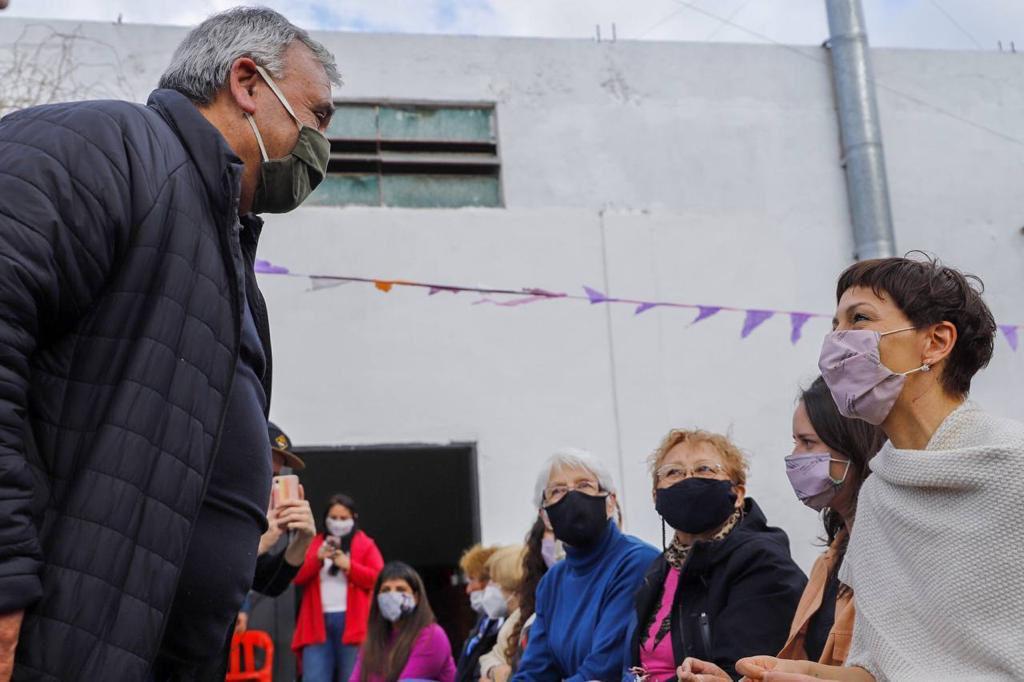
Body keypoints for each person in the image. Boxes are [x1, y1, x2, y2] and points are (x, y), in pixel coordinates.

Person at [0, 7, 339, 680]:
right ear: (247, 82)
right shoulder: (104, 149)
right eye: (318, 115)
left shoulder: (225, 252)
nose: (322, 144)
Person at [737, 255, 1024, 681]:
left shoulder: (1013, 465)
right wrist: (810, 674)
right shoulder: (875, 496)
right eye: (834, 325)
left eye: (859, 319)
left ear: (936, 342)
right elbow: (882, 670)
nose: (836, 342)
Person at [676, 381, 884, 681]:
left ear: (852, 445)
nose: (794, 457)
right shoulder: (828, 563)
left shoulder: (892, 557)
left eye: (808, 443)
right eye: (795, 442)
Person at [625, 430, 805, 681]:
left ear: (738, 493)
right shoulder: (660, 568)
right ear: (656, 496)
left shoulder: (762, 562)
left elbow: (742, 671)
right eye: (673, 472)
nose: (688, 480)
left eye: (704, 469)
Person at [511, 448, 659, 682]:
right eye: (557, 490)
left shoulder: (637, 562)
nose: (572, 497)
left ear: (610, 502)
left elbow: (604, 669)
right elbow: (534, 671)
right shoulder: (552, 582)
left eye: (584, 485)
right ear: (545, 515)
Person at [293, 493, 384, 682]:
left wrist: (349, 566)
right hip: (316, 623)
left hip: (353, 624)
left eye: (343, 518)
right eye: (334, 517)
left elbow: (379, 579)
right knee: (314, 677)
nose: (338, 522)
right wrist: (317, 559)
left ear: (354, 518)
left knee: (352, 676)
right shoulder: (315, 542)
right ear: (326, 518)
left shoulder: (364, 543)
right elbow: (297, 577)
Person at [350, 561, 456, 682]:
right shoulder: (373, 641)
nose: (392, 595)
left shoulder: (432, 636)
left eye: (400, 589)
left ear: (416, 598)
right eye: (386, 590)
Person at [479, 521, 550, 681]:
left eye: (493, 580)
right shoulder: (517, 617)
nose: (489, 587)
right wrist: (493, 671)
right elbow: (489, 658)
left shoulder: (536, 615)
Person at [456, 544, 502, 682]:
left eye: (472, 580)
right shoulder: (485, 620)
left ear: (490, 579)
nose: (468, 589)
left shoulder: (510, 621)